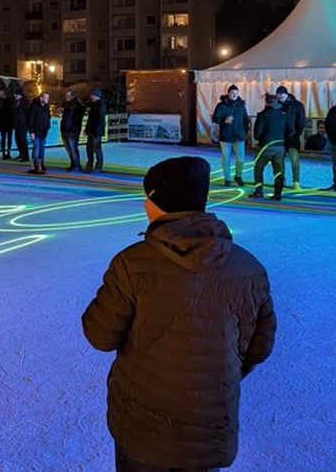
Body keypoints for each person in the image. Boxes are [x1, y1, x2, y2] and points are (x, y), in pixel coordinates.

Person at [82, 156, 276, 471]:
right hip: (210, 426)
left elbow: (100, 334)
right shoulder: (249, 268)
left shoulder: (132, 264)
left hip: (143, 428)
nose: (144, 205)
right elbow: (260, 345)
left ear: (161, 201)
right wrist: (214, 375)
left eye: (148, 197)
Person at [250, 94, 294, 201]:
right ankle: (278, 193)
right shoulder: (284, 114)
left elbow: (257, 134)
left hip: (265, 146)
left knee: (258, 168)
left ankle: (259, 191)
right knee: (278, 170)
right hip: (280, 146)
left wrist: (263, 138)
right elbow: (291, 130)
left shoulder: (263, 115)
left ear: (266, 102)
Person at [211, 84, 250, 186]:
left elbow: (246, 119)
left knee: (241, 158)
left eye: (236, 93)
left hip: (239, 136)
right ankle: (227, 179)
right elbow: (215, 118)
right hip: (226, 136)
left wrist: (245, 131)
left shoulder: (241, 106)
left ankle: (238, 176)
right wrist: (224, 120)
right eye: (232, 93)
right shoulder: (221, 105)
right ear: (228, 93)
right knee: (226, 158)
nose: (234, 95)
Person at [275, 86, 306, 189]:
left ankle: (296, 181)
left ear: (286, 94)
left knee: (294, 160)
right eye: (278, 94)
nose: (280, 96)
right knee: (279, 161)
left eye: (281, 94)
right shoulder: (276, 105)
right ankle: (281, 181)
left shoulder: (297, 105)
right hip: (279, 138)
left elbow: (301, 121)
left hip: (292, 138)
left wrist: (296, 134)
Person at [60, 89, 85, 172]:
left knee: (73, 149)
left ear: (72, 96)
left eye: (68, 95)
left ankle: (77, 165)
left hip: (72, 131)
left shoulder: (77, 106)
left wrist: (73, 128)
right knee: (69, 149)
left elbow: (77, 119)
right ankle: (73, 164)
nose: (66, 97)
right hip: (65, 130)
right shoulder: (68, 105)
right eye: (66, 95)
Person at [26, 93, 51, 174]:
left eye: (48, 98)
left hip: (44, 132)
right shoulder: (35, 107)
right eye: (46, 98)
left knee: (42, 149)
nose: (47, 99)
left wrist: (48, 127)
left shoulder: (46, 107)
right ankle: (35, 165)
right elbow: (31, 120)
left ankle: (41, 164)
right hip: (36, 132)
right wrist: (32, 132)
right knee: (36, 148)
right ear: (41, 98)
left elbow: (48, 118)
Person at [84, 88, 107, 173]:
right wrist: (87, 130)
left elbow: (100, 120)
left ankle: (98, 166)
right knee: (89, 149)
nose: (90, 96)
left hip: (96, 132)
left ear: (95, 96)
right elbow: (91, 120)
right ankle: (90, 165)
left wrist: (96, 132)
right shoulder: (94, 105)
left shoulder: (100, 105)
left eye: (92, 95)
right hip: (92, 131)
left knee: (96, 149)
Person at [0, 87, 15, 159]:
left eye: (2, 93)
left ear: (5, 93)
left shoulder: (9, 100)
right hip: (2, 123)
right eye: (0, 93)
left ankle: (8, 153)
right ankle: (3, 153)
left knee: (9, 138)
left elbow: (12, 112)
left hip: (9, 123)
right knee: (3, 138)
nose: (1, 95)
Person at [12, 88, 30, 161]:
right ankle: (21, 154)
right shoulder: (15, 102)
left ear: (20, 95)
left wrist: (27, 123)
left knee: (23, 140)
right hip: (16, 125)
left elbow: (28, 114)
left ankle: (26, 156)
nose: (15, 96)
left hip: (23, 125)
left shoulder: (25, 102)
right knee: (18, 140)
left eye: (16, 94)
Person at [324, 104, 336, 191]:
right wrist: (331, 137)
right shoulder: (333, 111)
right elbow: (327, 125)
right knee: (335, 165)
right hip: (334, 142)